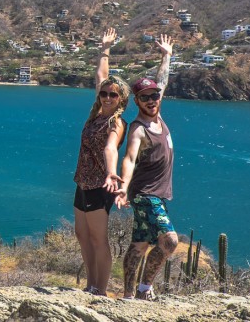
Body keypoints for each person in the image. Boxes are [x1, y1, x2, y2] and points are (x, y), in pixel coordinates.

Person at [115, 34, 176, 301]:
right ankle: (144, 288)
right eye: (145, 97)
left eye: (154, 96)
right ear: (137, 101)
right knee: (170, 241)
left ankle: (129, 295)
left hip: (156, 194)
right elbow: (128, 159)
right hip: (145, 194)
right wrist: (123, 188)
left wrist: (167, 55)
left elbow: (162, 81)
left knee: (140, 243)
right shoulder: (138, 130)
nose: (152, 100)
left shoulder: (158, 117)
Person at [72, 27, 130, 296]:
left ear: (122, 100)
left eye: (113, 95)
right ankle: (90, 285)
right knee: (83, 236)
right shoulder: (95, 114)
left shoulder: (115, 122)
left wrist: (111, 173)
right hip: (82, 183)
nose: (107, 97)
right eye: (105, 93)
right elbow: (101, 76)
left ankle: (100, 289)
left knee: (98, 239)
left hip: (99, 185)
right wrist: (104, 49)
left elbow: (110, 148)